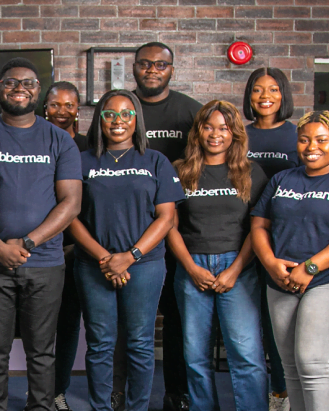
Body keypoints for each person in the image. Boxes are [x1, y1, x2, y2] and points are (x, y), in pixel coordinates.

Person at [0, 57, 82, 411]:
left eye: (27, 84)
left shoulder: (59, 140)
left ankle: (39, 407)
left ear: (38, 92)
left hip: (44, 263)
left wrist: (27, 243)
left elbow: (70, 204)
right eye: (11, 83)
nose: (19, 89)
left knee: (41, 350)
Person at [250, 110, 329, 411]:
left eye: (321, 139)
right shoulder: (282, 179)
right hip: (281, 280)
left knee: (313, 361)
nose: (311, 146)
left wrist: (310, 267)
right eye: (304, 140)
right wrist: (270, 264)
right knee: (290, 364)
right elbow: (259, 225)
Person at [70, 89, 184, 411]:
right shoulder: (82, 161)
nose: (117, 121)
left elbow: (166, 217)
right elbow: (71, 216)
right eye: (109, 114)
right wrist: (106, 259)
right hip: (94, 265)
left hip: (144, 265)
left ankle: (136, 408)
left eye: (126, 114)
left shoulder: (156, 161)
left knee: (139, 344)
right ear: (99, 120)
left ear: (136, 120)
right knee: (100, 344)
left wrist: (130, 257)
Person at [166, 100, 269, 411]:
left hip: (238, 268)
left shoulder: (251, 172)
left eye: (223, 128)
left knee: (246, 354)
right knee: (195, 355)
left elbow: (259, 228)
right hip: (191, 267)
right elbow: (169, 226)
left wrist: (235, 270)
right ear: (198, 131)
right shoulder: (180, 171)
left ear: (234, 133)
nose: (215, 134)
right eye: (209, 127)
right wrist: (190, 268)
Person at [131, 42, 200, 411]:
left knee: (176, 318)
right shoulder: (122, 108)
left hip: (176, 230)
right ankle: (123, 394)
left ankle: (177, 391)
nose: (152, 70)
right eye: (145, 64)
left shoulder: (190, 111)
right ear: (134, 68)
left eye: (160, 64)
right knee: (132, 323)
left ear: (172, 69)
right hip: (125, 234)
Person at [241, 67, 296, 411]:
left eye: (273, 89)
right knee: (253, 321)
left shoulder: (296, 135)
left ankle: (281, 393)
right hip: (243, 237)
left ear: (283, 95)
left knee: (281, 325)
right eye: (258, 90)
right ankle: (260, 392)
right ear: (248, 97)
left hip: (287, 239)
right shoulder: (239, 137)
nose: (265, 96)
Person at [41, 80, 87, 411]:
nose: (62, 111)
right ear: (45, 107)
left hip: (76, 252)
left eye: (69, 105)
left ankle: (57, 390)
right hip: (38, 251)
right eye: (55, 104)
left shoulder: (89, 147)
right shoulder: (32, 142)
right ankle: (37, 390)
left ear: (78, 110)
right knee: (38, 329)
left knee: (68, 326)